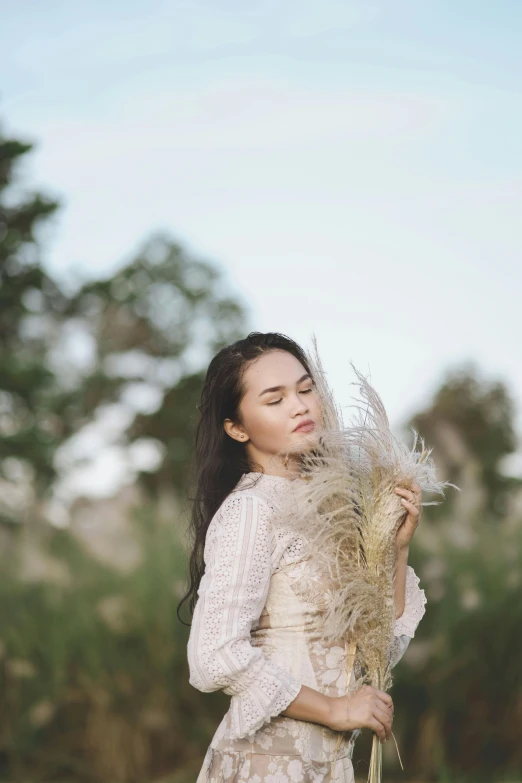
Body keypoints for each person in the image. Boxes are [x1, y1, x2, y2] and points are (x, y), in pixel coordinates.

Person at [180, 332, 426, 783]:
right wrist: (334, 708)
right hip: (268, 765)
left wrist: (395, 548)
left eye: (306, 389)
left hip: (330, 769)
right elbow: (213, 655)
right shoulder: (252, 509)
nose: (300, 406)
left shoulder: (330, 508)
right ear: (237, 427)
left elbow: (378, 652)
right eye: (275, 399)